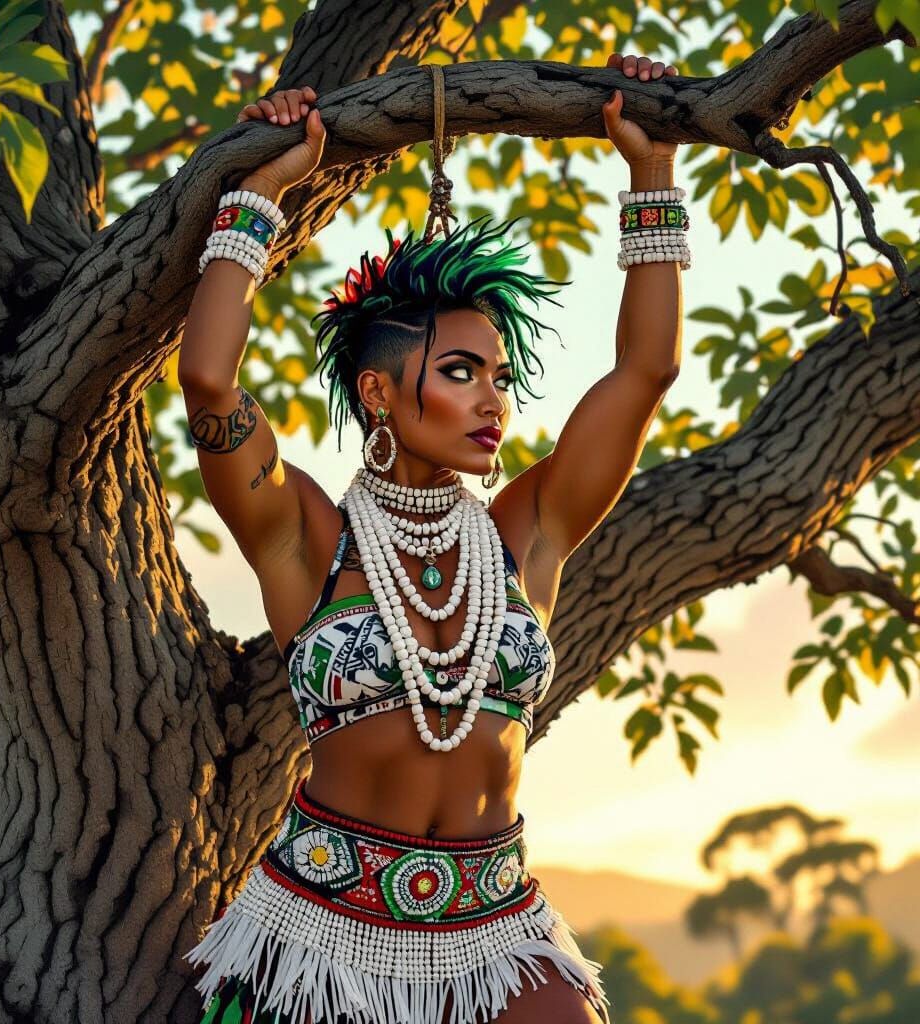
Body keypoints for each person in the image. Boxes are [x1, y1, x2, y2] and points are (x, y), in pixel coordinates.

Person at [181, 51, 685, 1024]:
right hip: (319, 937)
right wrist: (259, 190)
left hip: (498, 927)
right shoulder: (304, 535)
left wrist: (652, 171)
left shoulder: (525, 531)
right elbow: (208, 380)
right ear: (377, 390)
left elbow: (644, 372)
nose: (493, 400)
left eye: (499, 378)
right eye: (461, 372)